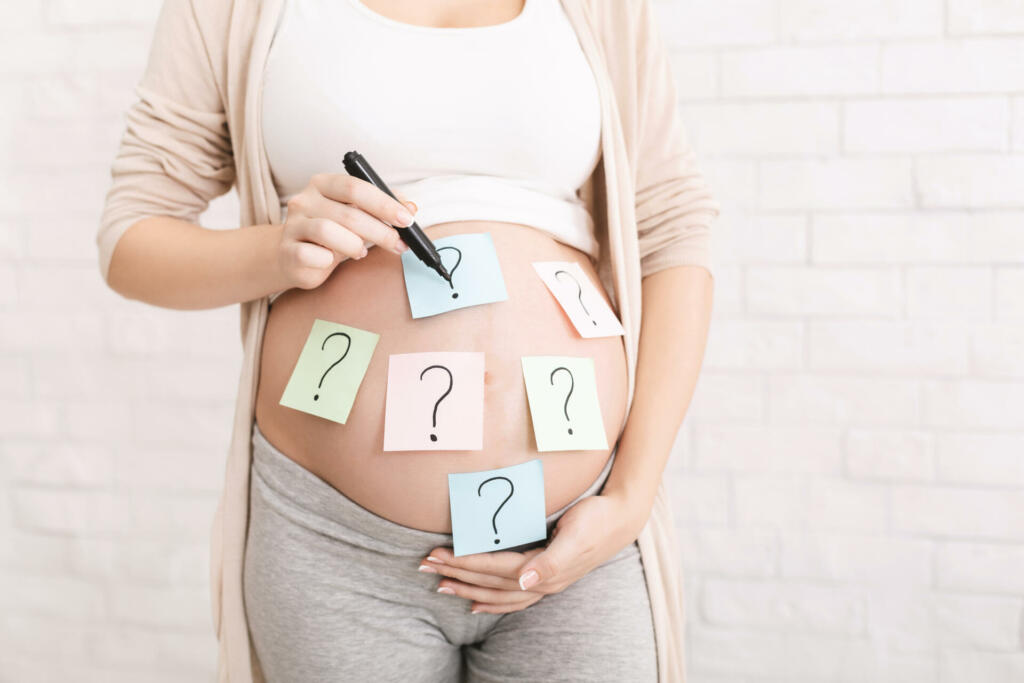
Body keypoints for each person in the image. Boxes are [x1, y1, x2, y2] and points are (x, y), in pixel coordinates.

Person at [97, 0, 718, 680]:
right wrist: (275, 252)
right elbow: (132, 236)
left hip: (580, 531)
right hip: (332, 538)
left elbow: (674, 229)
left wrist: (630, 498)